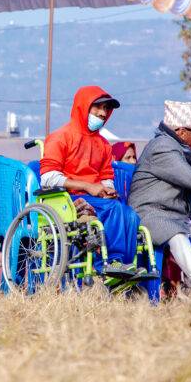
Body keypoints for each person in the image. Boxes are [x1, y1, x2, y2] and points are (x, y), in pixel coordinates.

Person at [39, 86, 146, 281]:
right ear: (83, 106)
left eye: (106, 109)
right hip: (66, 199)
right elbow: (47, 178)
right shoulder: (60, 137)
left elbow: (106, 176)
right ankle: (109, 264)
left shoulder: (103, 144)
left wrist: (107, 189)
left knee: (130, 214)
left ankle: (123, 270)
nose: (102, 113)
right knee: (114, 209)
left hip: (97, 199)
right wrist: (87, 186)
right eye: (97, 107)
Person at [128, 100, 191, 298]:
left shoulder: (178, 147)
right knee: (177, 235)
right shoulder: (163, 148)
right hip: (151, 212)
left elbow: (186, 191)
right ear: (181, 131)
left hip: (175, 214)